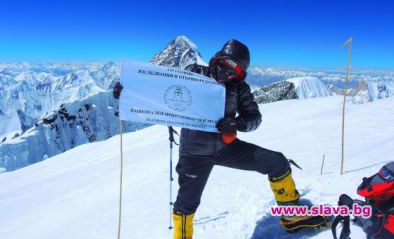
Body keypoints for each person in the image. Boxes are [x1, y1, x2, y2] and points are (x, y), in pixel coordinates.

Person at [113, 40, 327, 239]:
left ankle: (292, 217)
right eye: (229, 64)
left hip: (227, 147)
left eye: (238, 70)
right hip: (194, 153)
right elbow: (163, 91)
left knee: (277, 162)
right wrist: (129, 91)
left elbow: (255, 118)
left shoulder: (240, 89)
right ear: (218, 59)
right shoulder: (195, 73)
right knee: (186, 205)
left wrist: (238, 124)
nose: (231, 72)